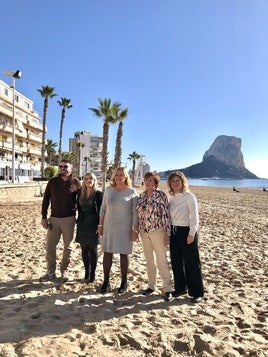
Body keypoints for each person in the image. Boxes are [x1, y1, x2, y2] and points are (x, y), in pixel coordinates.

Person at [96, 167, 138, 294]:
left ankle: (124, 282)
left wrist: (134, 230)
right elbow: (103, 209)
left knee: (124, 253)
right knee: (107, 252)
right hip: (109, 226)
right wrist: (100, 226)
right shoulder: (108, 190)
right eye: (117, 175)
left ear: (126, 177)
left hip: (125, 228)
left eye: (122, 175)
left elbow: (135, 213)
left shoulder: (132, 192)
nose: (119, 177)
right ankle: (106, 282)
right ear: (114, 177)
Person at [40, 160, 81, 282]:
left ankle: (64, 271)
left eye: (65, 166)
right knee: (50, 246)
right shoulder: (52, 182)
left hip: (69, 219)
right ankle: (50, 272)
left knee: (68, 247)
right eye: (61, 166)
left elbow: (81, 201)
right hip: (53, 219)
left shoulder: (76, 182)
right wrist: (43, 217)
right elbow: (46, 200)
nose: (62, 168)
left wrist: (80, 217)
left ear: (71, 168)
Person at [135, 172, 173, 302]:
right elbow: (139, 216)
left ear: (156, 183)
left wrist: (167, 234)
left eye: (151, 180)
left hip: (158, 232)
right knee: (149, 261)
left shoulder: (161, 195)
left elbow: (167, 215)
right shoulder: (141, 196)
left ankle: (167, 288)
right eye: (146, 180)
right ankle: (151, 286)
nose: (148, 182)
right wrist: (137, 231)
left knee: (161, 260)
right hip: (144, 233)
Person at [167, 171, 204, 303]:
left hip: (186, 231)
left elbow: (195, 216)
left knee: (192, 263)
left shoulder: (189, 196)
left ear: (183, 182)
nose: (175, 183)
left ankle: (197, 292)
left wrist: (192, 233)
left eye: (178, 181)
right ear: (170, 184)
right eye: (173, 181)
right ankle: (180, 288)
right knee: (176, 262)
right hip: (174, 232)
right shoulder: (172, 197)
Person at [75, 172, 103, 283]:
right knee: (83, 249)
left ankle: (92, 274)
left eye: (91, 178)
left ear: (94, 180)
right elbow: (78, 207)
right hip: (82, 223)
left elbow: (102, 211)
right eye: (86, 178)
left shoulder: (98, 194)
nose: (88, 180)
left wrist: (100, 226)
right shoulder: (80, 193)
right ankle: (87, 271)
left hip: (94, 224)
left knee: (93, 249)